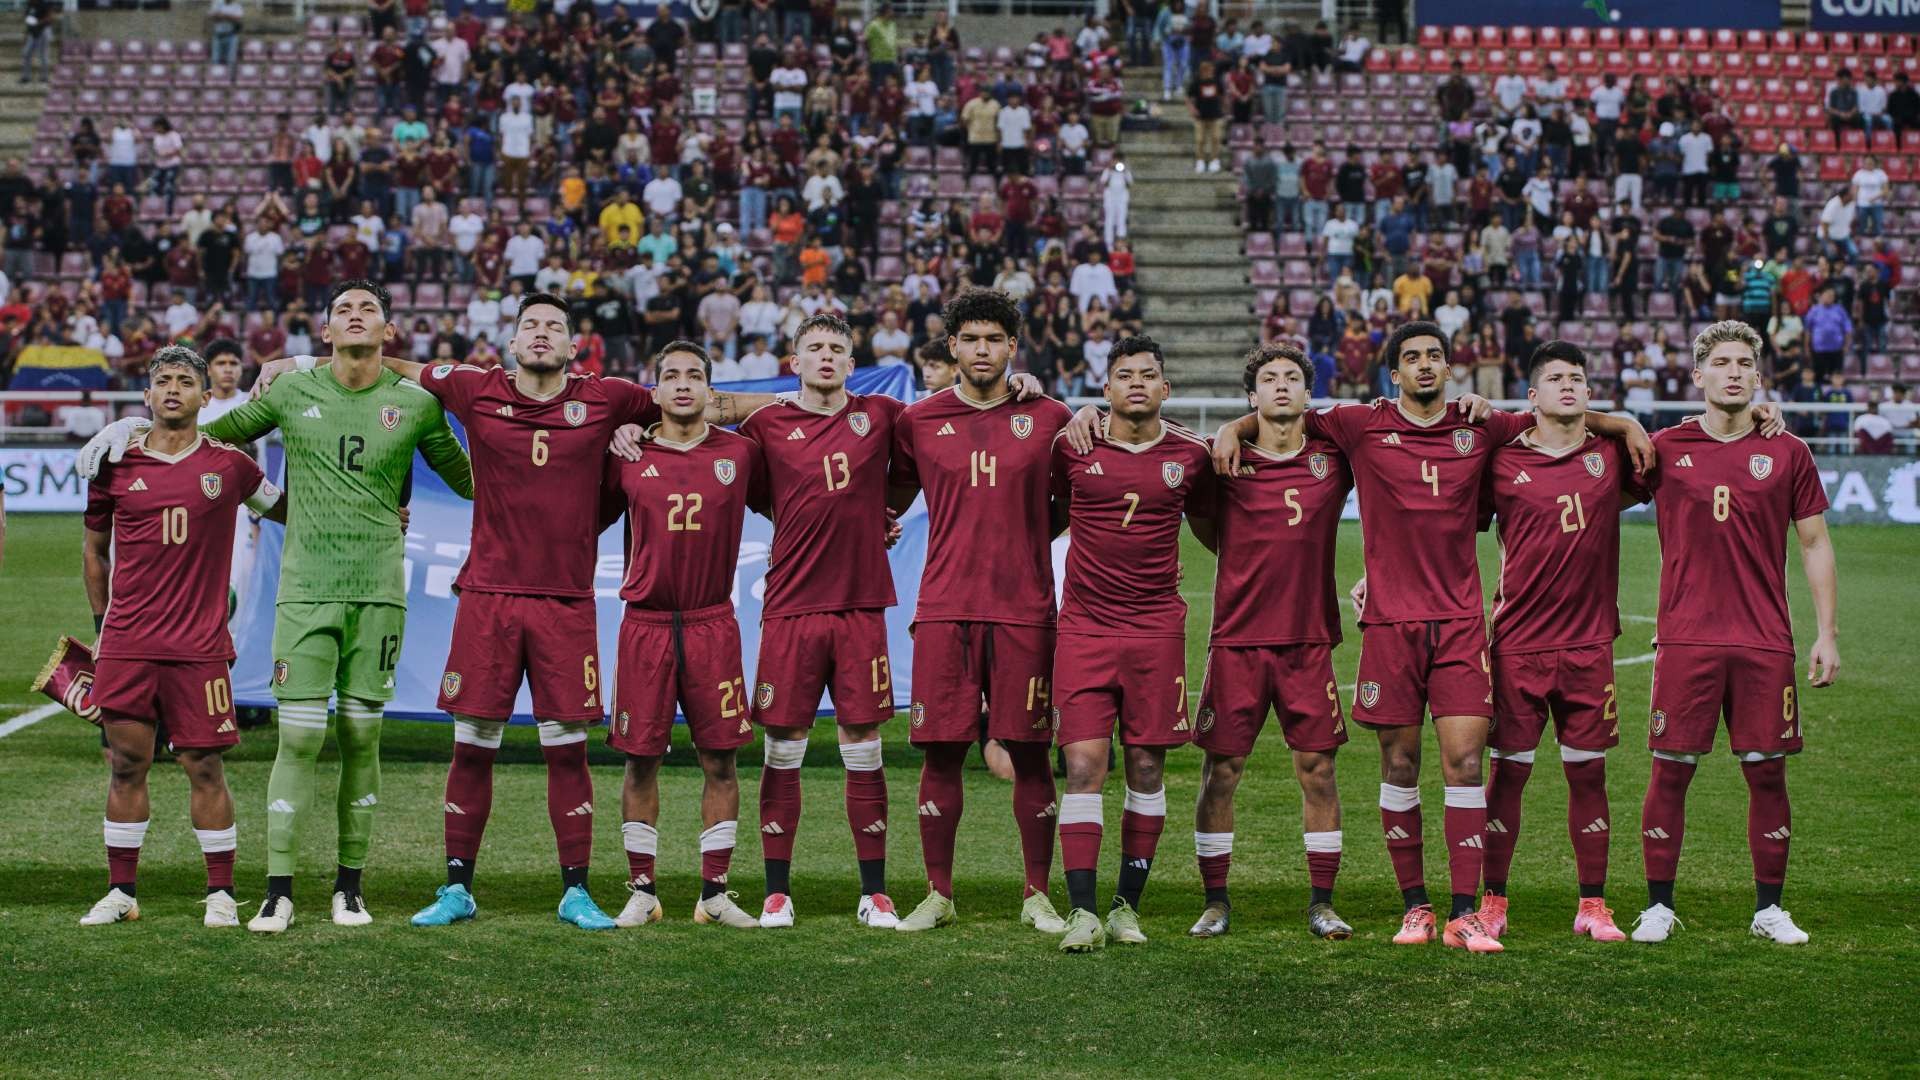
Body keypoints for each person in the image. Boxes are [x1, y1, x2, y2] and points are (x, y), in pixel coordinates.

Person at [1210, 322, 1652, 953]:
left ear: (1449, 370)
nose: (1424, 364)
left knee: (1466, 763)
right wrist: (1232, 428)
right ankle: (1415, 906)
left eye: (1434, 356)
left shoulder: (1482, 426)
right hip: (1391, 626)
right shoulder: (1359, 423)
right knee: (1400, 764)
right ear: (1394, 374)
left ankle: (1465, 912)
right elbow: (1285, 416)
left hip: (1461, 625)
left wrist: (1623, 423)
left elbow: (1558, 414)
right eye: (1412, 357)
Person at [77, 281, 476, 934]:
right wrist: (131, 428)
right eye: (342, 309)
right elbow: (197, 435)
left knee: (360, 737)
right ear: (324, 330)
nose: (354, 316)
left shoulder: (419, 405)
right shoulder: (290, 392)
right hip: (304, 591)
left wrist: (544, 452)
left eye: (367, 309)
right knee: (299, 736)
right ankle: (277, 892)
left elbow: (472, 483)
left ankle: (349, 888)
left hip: (379, 591)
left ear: (390, 330)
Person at [1633, 321, 1839, 947]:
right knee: (1671, 771)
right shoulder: (1664, 447)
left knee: (1767, 773)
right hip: (1685, 638)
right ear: (1698, 375)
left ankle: (1769, 909)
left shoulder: (1789, 452)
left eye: (1744, 363)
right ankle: (1658, 906)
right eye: (1721, 362)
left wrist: (1827, 633)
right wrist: (1617, 423)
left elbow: (1814, 543)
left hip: (1763, 639)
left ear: (1758, 375)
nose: (1734, 372)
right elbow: (1583, 465)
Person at [75, 346, 285, 929]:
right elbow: (94, 552)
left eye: (185, 381)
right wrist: (101, 628)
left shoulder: (232, 466)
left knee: (204, 766)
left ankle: (221, 893)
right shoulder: (114, 463)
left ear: (204, 396)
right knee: (126, 764)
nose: (173, 389)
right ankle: (121, 892)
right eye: (163, 380)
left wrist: (366, 512)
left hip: (199, 648)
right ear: (147, 395)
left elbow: (287, 510)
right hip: (128, 643)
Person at [885, 288, 1070, 934]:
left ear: (1012, 346)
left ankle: (1037, 895)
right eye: (971, 339)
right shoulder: (918, 420)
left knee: (1030, 753)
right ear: (953, 346)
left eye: (994, 339)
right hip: (944, 607)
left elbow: (1076, 501)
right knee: (940, 753)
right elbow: (886, 496)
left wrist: (1023, 540)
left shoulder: (1048, 416)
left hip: (1024, 609)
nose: (983, 350)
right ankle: (938, 894)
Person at [1473, 341, 1647, 945]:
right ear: (1532, 395)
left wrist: (1623, 424)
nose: (1568, 385)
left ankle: (1593, 904)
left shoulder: (1612, 454)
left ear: (1590, 393)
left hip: (1588, 645)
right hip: (1517, 642)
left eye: (1577, 378)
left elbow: (1686, 454)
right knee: (1508, 776)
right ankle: (1493, 900)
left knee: (1589, 775)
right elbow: (1443, 522)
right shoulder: (1500, 460)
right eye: (1555, 378)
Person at [1048, 335, 1215, 953]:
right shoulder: (1070, 446)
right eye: (1125, 374)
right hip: (1085, 628)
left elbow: (1218, 530)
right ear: (1106, 388)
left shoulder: (1191, 456)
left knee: (1146, 767)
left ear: (1166, 389)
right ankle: (1083, 911)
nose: (1137, 383)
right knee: (1083, 767)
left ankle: (1126, 907)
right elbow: (1040, 515)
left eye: (1148, 374)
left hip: (1155, 631)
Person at [1187, 344, 1354, 941]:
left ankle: (1322, 902)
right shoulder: (1224, 462)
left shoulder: (1334, 457)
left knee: (1319, 770)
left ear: (1308, 393)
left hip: (1308, 640)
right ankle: (1215, 901)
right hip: (1238, 639)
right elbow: (1204, 524)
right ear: (1252, 394)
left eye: (1291, 378)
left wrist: (1233, 425)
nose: (1281, 385)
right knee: (1222, 770)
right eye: (1268, 378)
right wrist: (1231, 432)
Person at [601, 342, 767, 929]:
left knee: (720, 761)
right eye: (670, 375)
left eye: (694, 375)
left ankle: (714, 894)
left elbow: (797, 504)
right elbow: (575, 515)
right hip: (644, 626)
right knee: (640, 761)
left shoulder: (741, 454)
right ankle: (643, 892)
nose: (682, 384)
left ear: (709, 390)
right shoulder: (627, 454)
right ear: (655, 391)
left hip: (711, 624)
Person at [1099, 153, 1132, 249]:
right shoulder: (1107, 170)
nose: (1117, 163)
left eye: (1119, 161)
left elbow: (1130, 183)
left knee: (1121, 220)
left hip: (1122, 198)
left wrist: (1125, 171)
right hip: (1110, 198)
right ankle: (1108, 244)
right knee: (1109, 220)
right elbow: (1103, 182)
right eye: (1115, 160)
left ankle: (1121, 243)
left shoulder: (1125, 171)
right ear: (1112, 160)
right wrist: (1110, 170)